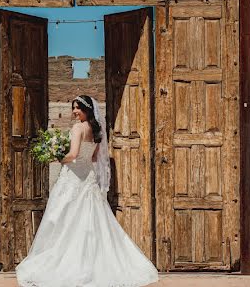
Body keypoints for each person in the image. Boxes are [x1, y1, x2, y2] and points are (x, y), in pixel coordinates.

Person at [15, 95, 159, 287]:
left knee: (64, 219)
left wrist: (57, 156)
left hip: (73, 179)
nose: (75, 111)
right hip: (87, 178)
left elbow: (73, 154)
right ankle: (93, 261)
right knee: (90, 220)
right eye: (73, 108)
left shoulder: (77, 128)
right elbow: (94, 158)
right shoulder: (96, 130)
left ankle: (68, 263)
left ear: (87, 109)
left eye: (78, 108)